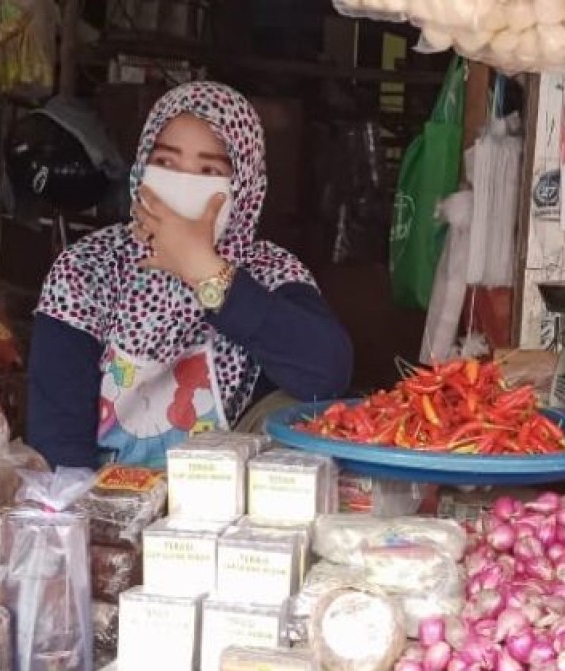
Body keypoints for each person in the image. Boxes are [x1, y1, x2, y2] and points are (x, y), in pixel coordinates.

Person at [27, 82, 353, 470]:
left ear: (244, 185)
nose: (183, 182)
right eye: (166, 162)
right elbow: (58, 447)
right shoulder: (88, 269)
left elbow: (327, 374)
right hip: (102, 496)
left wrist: (206, 271)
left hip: (228, 501)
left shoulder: (269, 271)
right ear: (141, 168)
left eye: (209, 170)